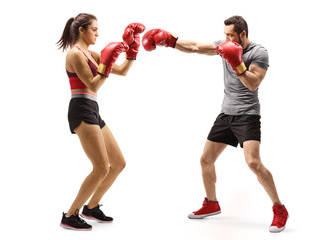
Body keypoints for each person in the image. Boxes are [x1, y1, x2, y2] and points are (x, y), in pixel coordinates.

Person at [142, 15, 288, 233]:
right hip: (226, 114)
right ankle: (212, 203)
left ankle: (279, 209)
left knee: (253, 163)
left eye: (231, 35)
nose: (227, 39)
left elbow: (253, 84)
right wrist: (170, 41)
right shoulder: (223, 46)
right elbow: (194, 47)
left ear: (243, 34)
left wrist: (237, 63)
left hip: (247, 115)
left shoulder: (259, 52)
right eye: (225, 35)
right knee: (206, 159)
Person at [56, 13, 145, 231]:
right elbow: (93, 85)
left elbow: (122, 71)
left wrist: (133, 50)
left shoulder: (92, 53)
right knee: (100, 168)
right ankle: (70, 215)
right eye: (94, 29)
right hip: (81, 109)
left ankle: (92, 207)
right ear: (81, 30)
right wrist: (105, 63)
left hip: (93, 110)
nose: (98, 33)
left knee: (118, 163)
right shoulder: (75, 54)